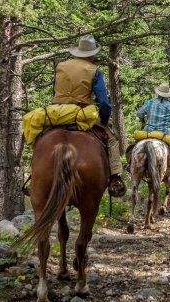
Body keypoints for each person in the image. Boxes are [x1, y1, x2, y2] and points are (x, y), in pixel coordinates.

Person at [52, 35, 126, 197]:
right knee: (113, 138)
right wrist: (105, 120)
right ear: (92, 54)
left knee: (39, 134)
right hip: (82, 112)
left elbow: (55, 92)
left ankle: (33, 176)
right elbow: (104, 103)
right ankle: (115, 177)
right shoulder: (93, 70)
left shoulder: (61, 66)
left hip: (57, 112)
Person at [137, 83, 170, 178]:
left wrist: (144, 119)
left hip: (148, 132)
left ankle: (130, 164)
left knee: (135, 145)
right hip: (164, 134)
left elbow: (139, 113)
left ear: (158, 93)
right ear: (167, 95)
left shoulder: (150, 102)